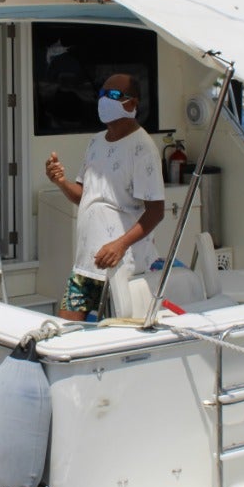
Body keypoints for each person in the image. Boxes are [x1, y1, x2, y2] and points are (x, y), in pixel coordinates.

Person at [44, 72, 165, 321]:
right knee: (65, 332)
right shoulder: (95, 142)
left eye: (113, 95)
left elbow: (156, 211)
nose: (103, 99)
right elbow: (84, 196)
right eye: (102, 94)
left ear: (132, 103)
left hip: (121, 268)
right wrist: (61, 182)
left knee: (117, 335)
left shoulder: (143, 148)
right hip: (86, 265)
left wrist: (119, 245)